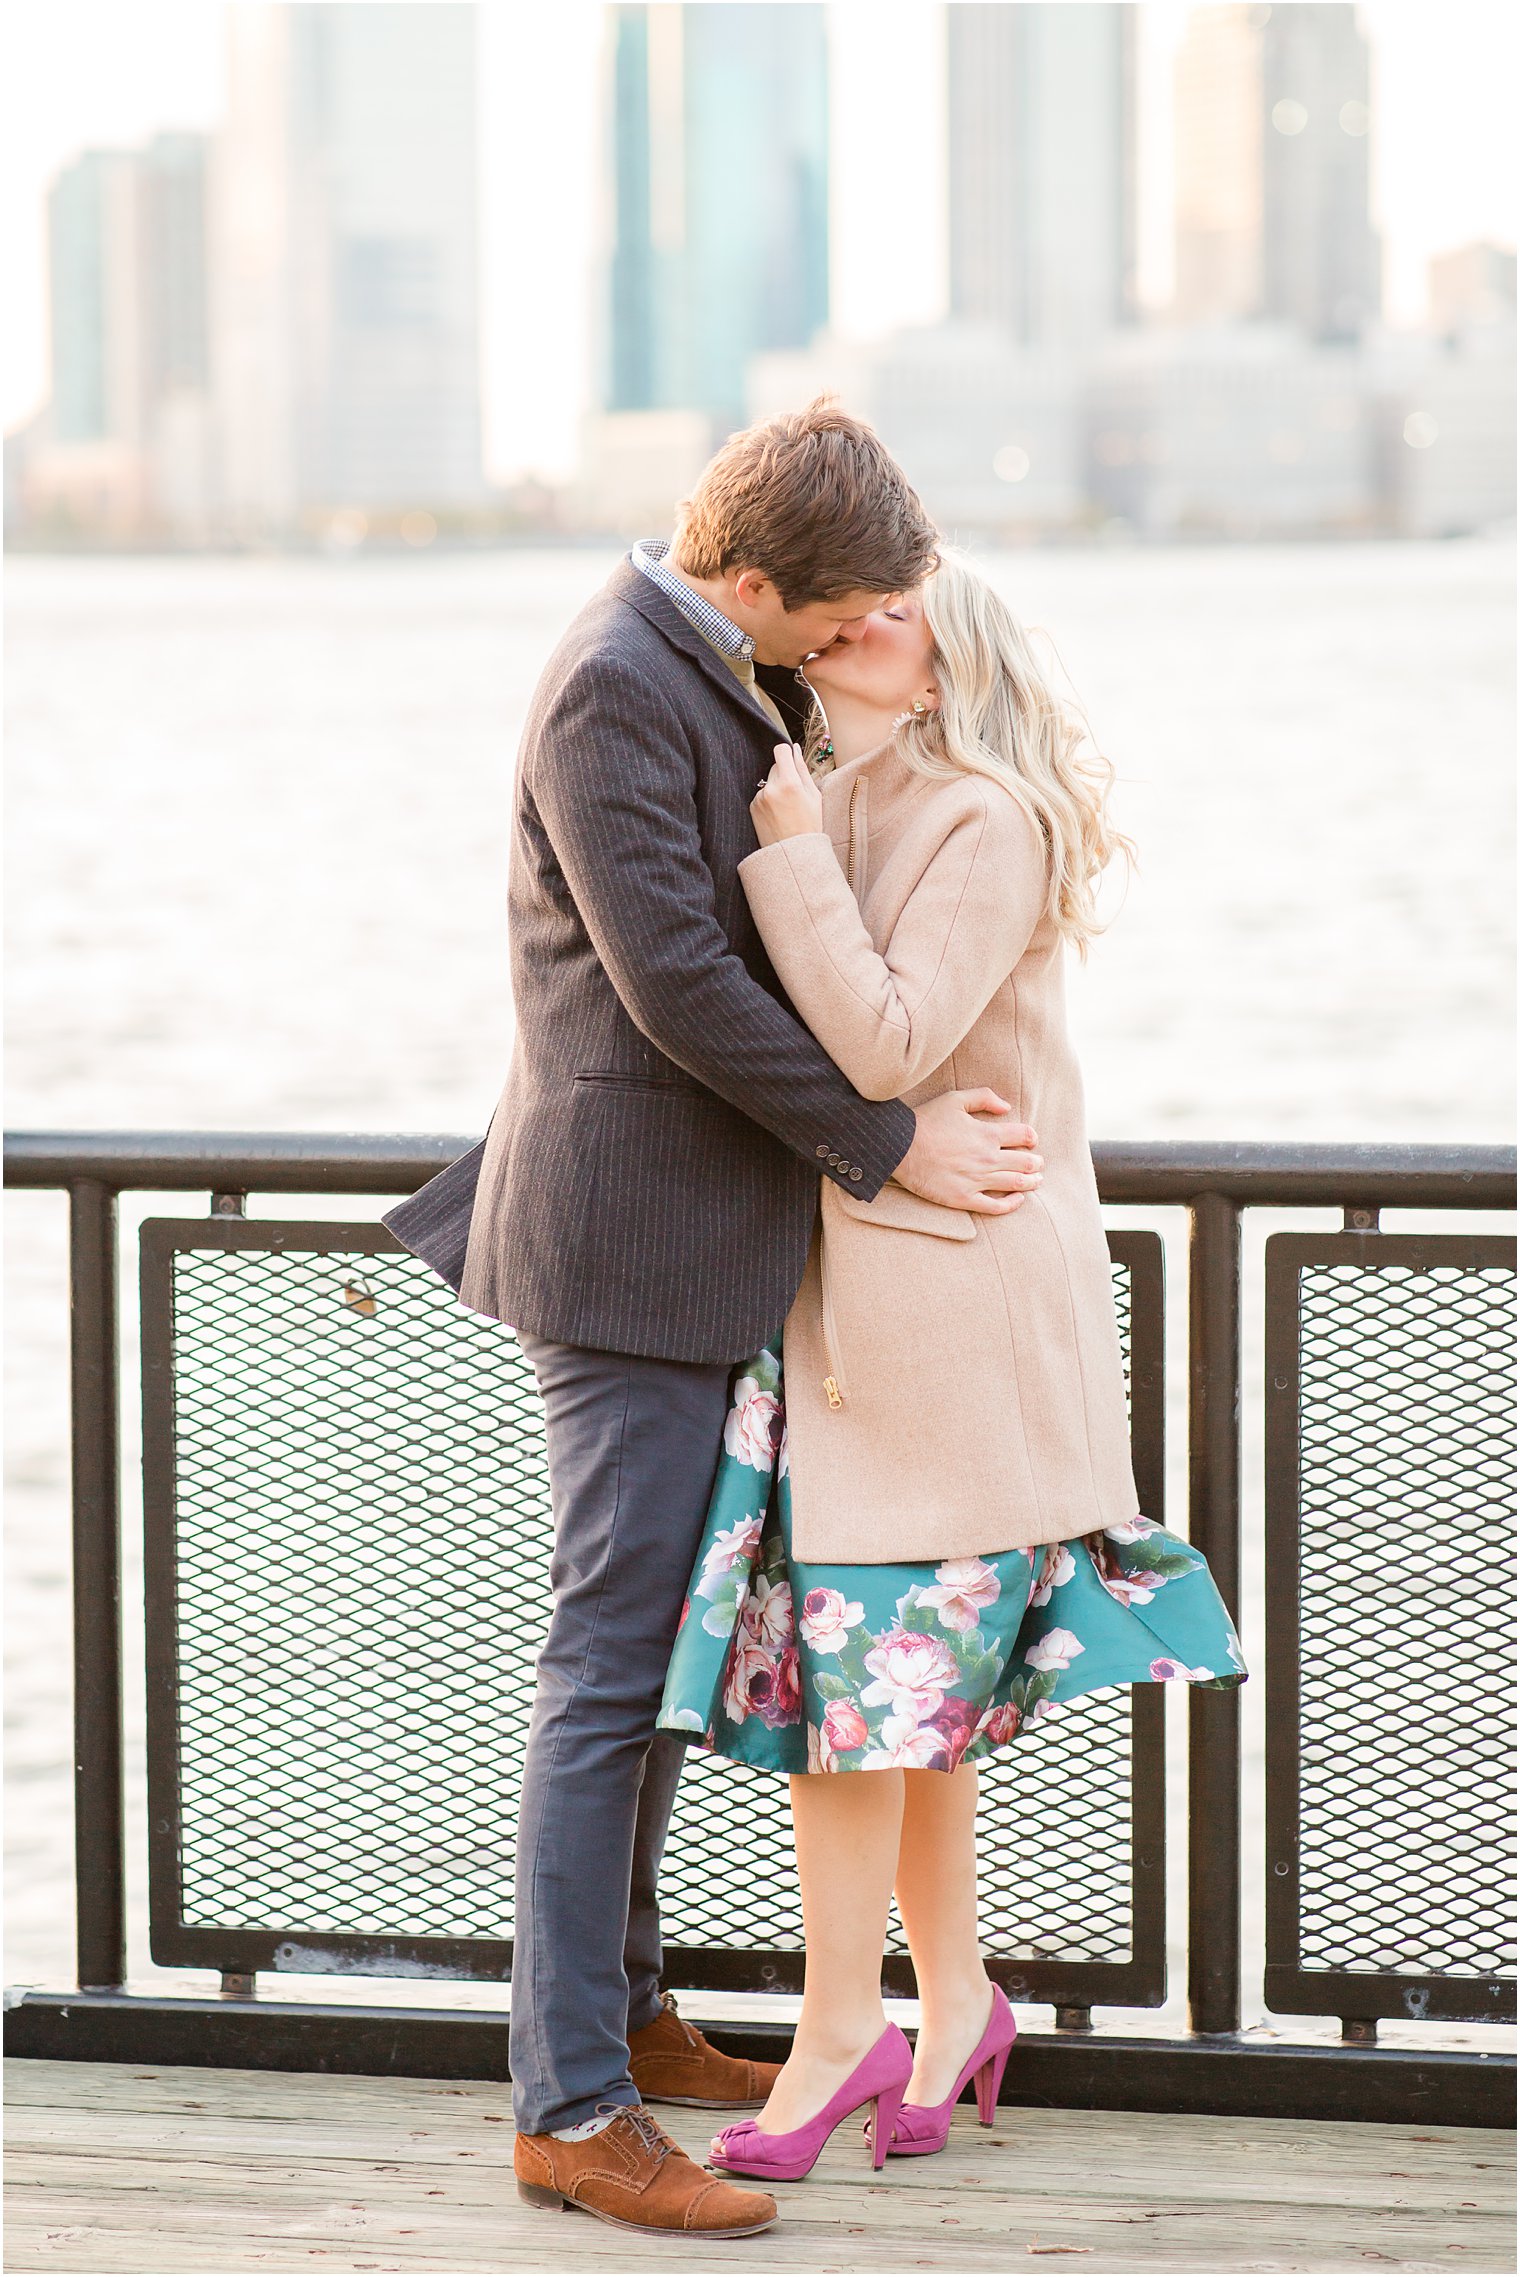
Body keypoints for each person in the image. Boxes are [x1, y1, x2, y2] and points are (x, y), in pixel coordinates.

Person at [382, 406, 1049, 2241]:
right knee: (605, 1671)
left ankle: (630, 2012)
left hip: (690, 1244)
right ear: (751, 578)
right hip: (626, 1250)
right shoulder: (616, 682)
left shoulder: (703, 664)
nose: (839, 647)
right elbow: (675, 981)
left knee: (651, 1663)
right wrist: (886, 1138)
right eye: (825, 618)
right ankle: (570, 2104)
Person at [657, 553, 1247, 2185]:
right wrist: (796, 836)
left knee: (862, 1699)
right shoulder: (839, 789)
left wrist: (786, 861)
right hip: (863, 1312)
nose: (852, 622)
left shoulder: (984, 818)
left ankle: (839, 2030)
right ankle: (963, 1999)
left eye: (893, 611)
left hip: (946, 1325)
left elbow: (890, 1047)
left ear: (943, 665)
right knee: (893, 1701)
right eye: (840, 603)